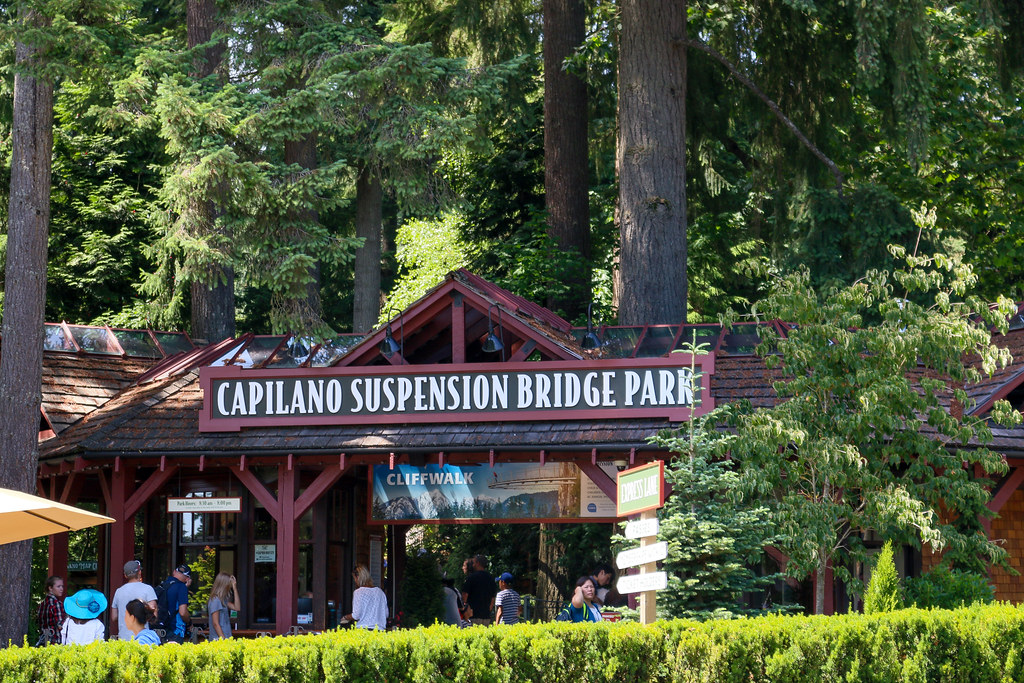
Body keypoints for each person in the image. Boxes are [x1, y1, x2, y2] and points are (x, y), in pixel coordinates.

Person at [110, 559, 158, 641]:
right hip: (142, 638)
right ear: (139, 572)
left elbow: (114, 617)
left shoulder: (119, 591)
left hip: (123, 638)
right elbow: (153, 613)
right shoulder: (148, 589)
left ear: (125, 575)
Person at [343, 564, 388, 630]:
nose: (355, 581)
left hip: (364, 630)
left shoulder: (358, 592)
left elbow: (356, 615)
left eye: (354, 578)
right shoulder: (380, 592)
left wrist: (345, 617)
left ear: (358, 577)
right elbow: (386, 614)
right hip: (379, 631)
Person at [158, 563, 192, 643]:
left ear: (174, 572)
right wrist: (189, 623)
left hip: (160, 631)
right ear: (187, 579)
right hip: (175, 631)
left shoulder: (162, 586)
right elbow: (183, 612)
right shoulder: (181, 587)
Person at [461, 554, 496, 625]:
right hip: (486, 616)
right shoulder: (490, 578)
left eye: (474, 562)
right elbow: (493, 598)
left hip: (473, 616)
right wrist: (487, 611)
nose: (473, 565)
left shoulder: (471, 578)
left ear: (478, 563)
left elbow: (465, 595)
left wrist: (464, 610)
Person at [207, 572, 240, 641]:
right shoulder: (215, 600)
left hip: (224, 638)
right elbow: (215, 623)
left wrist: (235, 588)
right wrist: (224, 641)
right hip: (218, 640)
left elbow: (237, 607)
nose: (229, 588)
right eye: (229, 585)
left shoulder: (222, 600)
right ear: (224, 585)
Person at [36, 575, 65, 645]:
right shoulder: (56, 603)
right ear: (50, 588)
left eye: (62, 586)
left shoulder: (42, 603)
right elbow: (60, 625)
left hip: (44, 640)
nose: (61, 589)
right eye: (58, 586)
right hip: (55, 641)